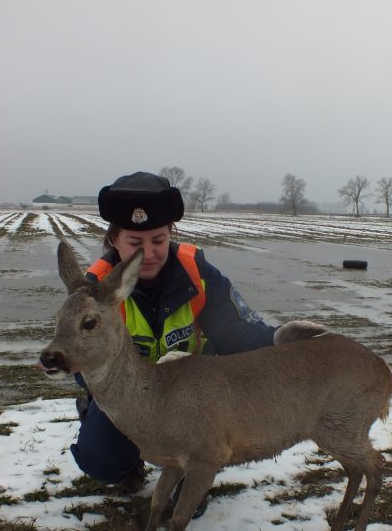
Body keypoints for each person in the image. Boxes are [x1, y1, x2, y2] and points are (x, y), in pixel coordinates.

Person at [69, 171, 278, 496]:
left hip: (191, 399)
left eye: (159, 240)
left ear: (171, 234)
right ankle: (128, 460)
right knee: (101, 460)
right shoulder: (94, 291)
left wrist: (284, 341)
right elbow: (78, 359)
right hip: (127, 398)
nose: (148, 254)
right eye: (135, 244)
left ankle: (189, 469)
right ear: (114, 240)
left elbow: (238, 333)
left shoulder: (199, 276)